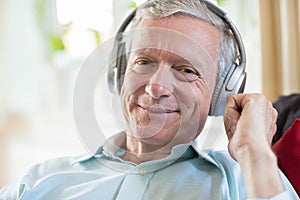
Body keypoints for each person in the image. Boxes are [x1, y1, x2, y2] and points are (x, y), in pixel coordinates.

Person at [0, 0, 298, 199]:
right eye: (143, 62)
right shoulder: (37, 182)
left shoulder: (248, 182)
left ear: (222, 93)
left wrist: (254, 152)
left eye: (186, 70)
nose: (156, 87)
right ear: (118, 74)